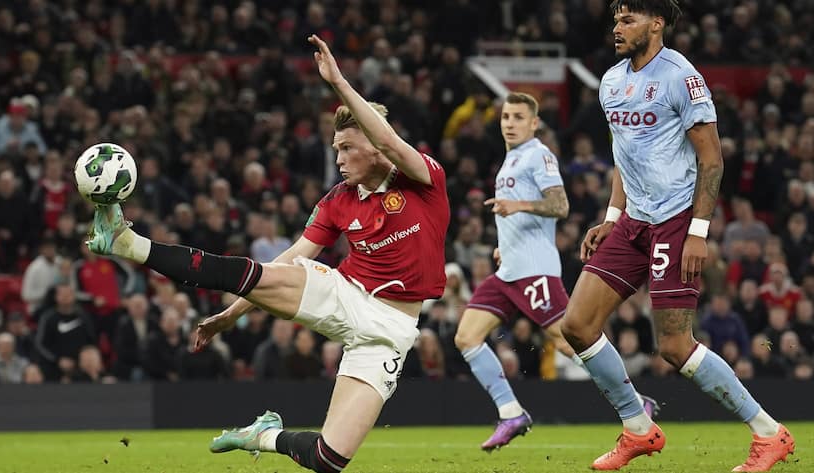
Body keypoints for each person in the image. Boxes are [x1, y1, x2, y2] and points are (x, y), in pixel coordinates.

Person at [85, 34, 449, 473]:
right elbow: (292, 257)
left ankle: (264, 434)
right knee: (250, 273)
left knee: (329, 459)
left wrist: (337, 82)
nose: (339, 157)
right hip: (346, 296)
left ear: (374, 146)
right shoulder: (338, 200)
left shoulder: (423, 180)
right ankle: (126, 241)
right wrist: (232, 313)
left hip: (394, 329)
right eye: (336, 148)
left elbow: (392, 144)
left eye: (348, 147)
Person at [560, 1, 794, 471]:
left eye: (628, 20)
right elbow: (624, 157)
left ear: (657, 23)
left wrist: (698, 232)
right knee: (577, 325)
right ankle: (638, 429)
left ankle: (770, 434)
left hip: (676, 220)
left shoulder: (681, 78)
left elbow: (712, 159)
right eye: (616, 20)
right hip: (633, 222)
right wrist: (611, 216)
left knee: (673, 346)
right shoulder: (610, 81)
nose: (617, 28)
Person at [453, 91, 658, 451]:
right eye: (505, 117)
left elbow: (559, 205)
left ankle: (636, 400)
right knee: (466, 337)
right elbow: (520, 218)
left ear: (534, 123)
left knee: (568, 342)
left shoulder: (539, 155)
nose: (510, 123)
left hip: (535, 271)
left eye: (518, 117)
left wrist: (517, 205)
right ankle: (511, 412)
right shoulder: (510, 160)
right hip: (509, 271)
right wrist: (506, 243)